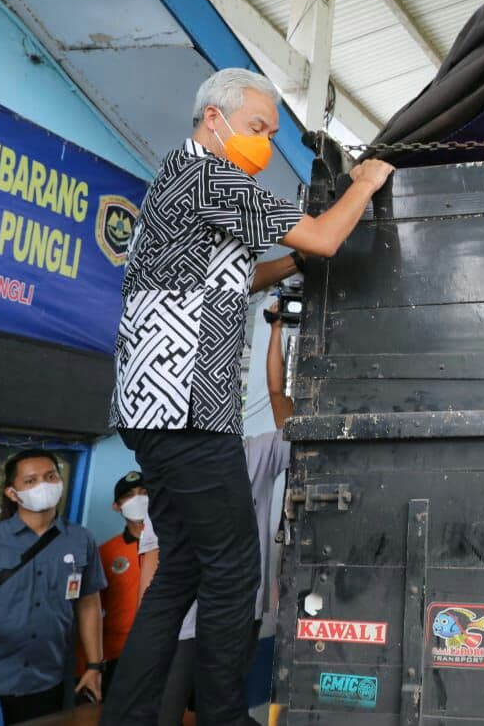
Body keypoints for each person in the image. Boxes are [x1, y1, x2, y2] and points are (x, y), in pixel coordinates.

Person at [104, 68, 393, 726]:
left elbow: (236, 276)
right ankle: (226, 715)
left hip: (151, 409)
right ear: (215, 118)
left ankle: (129, 714)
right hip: (187, 407)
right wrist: (367, 184)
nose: (264, 142)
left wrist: (292, 262)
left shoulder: (176, 181)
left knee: (180, 569)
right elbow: (322, 234)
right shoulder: (211, 176)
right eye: (258, 128)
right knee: (234, 571)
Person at [148, 302, 296, 726]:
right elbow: (153, 559)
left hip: (240, 616)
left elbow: (278, 400)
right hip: (182, 622)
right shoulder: (171, 468)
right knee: (165, 712)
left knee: (224, 711)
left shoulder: (255, 454)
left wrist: (275, 332)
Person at [0, 449, 105, 724]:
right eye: (31, 481)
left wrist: (95, 666)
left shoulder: (81, 539)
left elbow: (88, 604)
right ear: (12, 493)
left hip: (45, 680)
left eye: (51, 476)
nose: (44, 485)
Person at [74, 471, 149, 696]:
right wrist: (89, 665)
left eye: (145, 493)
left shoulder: (180, 546)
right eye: (129, 495)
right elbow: (89, 610)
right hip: (117, 654)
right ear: (117, 506)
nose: (139, 499)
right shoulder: (106, 553)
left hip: (168, 650)